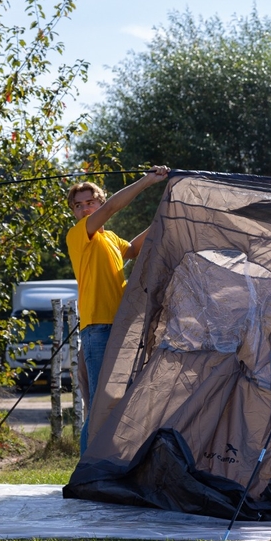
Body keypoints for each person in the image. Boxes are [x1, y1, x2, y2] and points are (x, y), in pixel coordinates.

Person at [66, 167, 169, 450]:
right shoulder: (79, 234)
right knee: (101, 402)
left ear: (98, 201)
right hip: (97, 328)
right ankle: (87, 470)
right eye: (78, 205)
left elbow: (135, 249)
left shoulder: (110, 238)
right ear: (74, 212)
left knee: (117, 400)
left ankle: (104, 464)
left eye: (90, 202)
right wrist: (148, 181)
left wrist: (167, 209)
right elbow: (113, 207)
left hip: (121, 326)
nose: (85, 209)